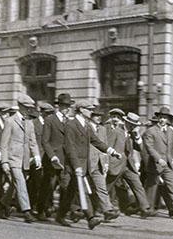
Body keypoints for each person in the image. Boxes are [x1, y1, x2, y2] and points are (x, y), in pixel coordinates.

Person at [62, 100, 120, 230]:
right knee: (83, 190)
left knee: (70, 193)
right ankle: (91, 218)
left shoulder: (86, 126)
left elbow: (96, 141)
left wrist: (111, 151)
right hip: (74, 165)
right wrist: (76, 166)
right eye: (89, 109)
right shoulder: (70, 125)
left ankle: (60, 214)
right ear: (81, 110)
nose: (91, 112)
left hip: (84, 165)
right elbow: (70, 147)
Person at [143, 107, 173, 220]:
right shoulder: (150, 131)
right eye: (160, 117)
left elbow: (172, 146)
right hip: (155, 164)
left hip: (167, 165)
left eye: (164, 118)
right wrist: (158, 158)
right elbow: (149, 147)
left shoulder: (170, 131)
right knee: (152, 187)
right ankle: (146, 208)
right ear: (158, 118)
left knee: (172, 186)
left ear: (167, 119)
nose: (162, 120)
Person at [0, 94, 41, 223]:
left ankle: (2, 204)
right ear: (21, 106)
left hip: (25, 159)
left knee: (14, 184)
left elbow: (32, 141)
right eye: (27, 107)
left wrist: (37, 156)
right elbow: (4, 144)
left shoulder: (29, 122)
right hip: (13, 159)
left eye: (30, 107)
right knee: (21, 182)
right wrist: (5, 161)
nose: (29, 110)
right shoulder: (10, 121)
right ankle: (26, 211)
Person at [41, 93, 73, 224]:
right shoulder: (50, 120)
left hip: (66, 161)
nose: (66, 109)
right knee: (49, 187)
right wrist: (52, 155)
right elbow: (45, 141)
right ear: (59, 106)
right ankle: (42, 209)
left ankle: (61, 215)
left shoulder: (70, 122)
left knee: (66, 187)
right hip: (52, 160)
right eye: (64, 106)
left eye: (68, 106)